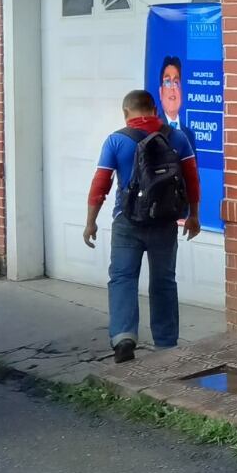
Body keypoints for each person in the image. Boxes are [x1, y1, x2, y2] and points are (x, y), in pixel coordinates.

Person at [83, 89, 201, 363]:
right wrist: (193, 215)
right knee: (164, 281)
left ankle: (124, 337)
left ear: (126, 113)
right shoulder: (177, 138)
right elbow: (192, 180)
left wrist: (91, 222)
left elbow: (100, 185)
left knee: (123, 278)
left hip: (127, 221)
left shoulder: (116, 141)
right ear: (154, 108)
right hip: (164, 221)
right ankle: (167, 343)